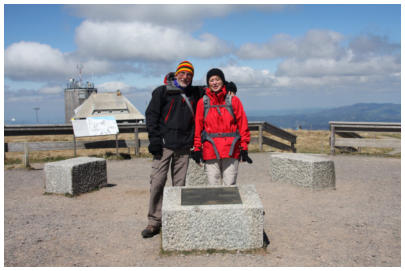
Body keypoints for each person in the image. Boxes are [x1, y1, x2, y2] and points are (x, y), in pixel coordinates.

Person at [142, 61, 237, 238]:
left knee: (179, 187)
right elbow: (151, 116)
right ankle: (154, 222)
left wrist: (229, 85)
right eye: (182, 74)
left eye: (189, 75)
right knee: (157, 182)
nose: (185, 77)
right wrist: (154, 139)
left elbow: (213, 88)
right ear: (176, 74)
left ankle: (174, 219)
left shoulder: (195, 92)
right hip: (163, 146)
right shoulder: (161, 91)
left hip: (184, 147)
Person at [192, 68, 252, 186]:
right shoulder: (202, 102)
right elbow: (198, 127)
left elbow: (242, 124)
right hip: (210, 149)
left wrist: (244, 146)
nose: (214, 82)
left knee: (229, 186)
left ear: (223, 81)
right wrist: (197, 148)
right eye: (211, 80)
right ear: (208, 83)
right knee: (213, 186)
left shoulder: (233, 100)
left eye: (217, 79)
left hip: (231, 149)